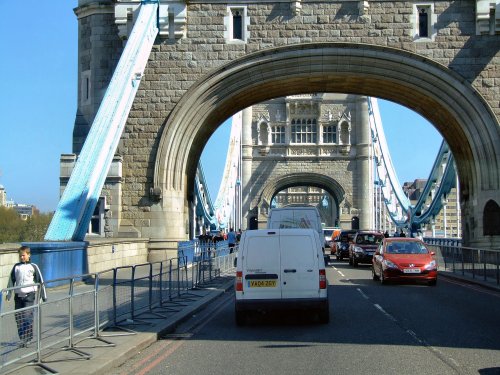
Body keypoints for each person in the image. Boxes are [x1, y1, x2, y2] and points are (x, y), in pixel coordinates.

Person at [7, 246, 47, 346]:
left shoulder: (33, 266)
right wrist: (8, 294)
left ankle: (28, 337)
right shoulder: (16, 267)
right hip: (18, 296)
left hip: (29, 295)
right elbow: (11, 281)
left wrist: (43, 296)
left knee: (27, 316)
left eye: (23, 255)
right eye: (20, 256)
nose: (21, 257)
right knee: (18, 318)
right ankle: (22, 338)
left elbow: (40, 281)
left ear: (29, 255)